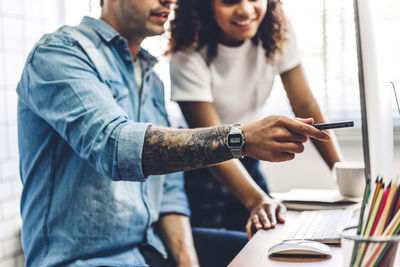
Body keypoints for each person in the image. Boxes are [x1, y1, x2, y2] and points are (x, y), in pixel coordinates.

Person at [16, 0, 329, 266]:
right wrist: (241, 138)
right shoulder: (60, 53)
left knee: (273, 254)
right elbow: (114, 147)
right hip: (82, 260)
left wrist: (186, 261)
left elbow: (167, 194)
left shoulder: (152, 82)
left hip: (147, 252)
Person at [168, 0, 343, 233]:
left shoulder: (277, 33)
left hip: (246, 157)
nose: (246, 10)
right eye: (230, 1)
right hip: (203, 164)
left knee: (270, 234)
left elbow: (305, 104)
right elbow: (212, 144)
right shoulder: (187, 53)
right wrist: (256, 200)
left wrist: (342, 174)